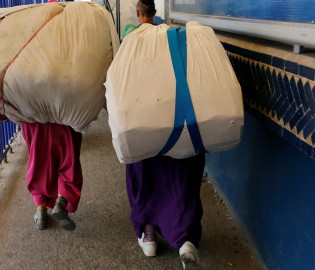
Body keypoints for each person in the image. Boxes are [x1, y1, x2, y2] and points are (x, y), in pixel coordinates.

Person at [122, 0, 205, 269]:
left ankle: (148, 235)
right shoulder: (175, 37)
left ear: (137, 13)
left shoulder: (130, 39)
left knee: (142, 169)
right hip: (180, 122)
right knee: (183, 172)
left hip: (145, 126)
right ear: (156, 13)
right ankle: (185, 240)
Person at [22, 0, 82, 233]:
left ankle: (40, 211)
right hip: (64, 115)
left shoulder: (28, 45)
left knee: (39, 163)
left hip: (35, 118)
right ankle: (61, 201)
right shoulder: (71, 45)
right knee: (68, 160)